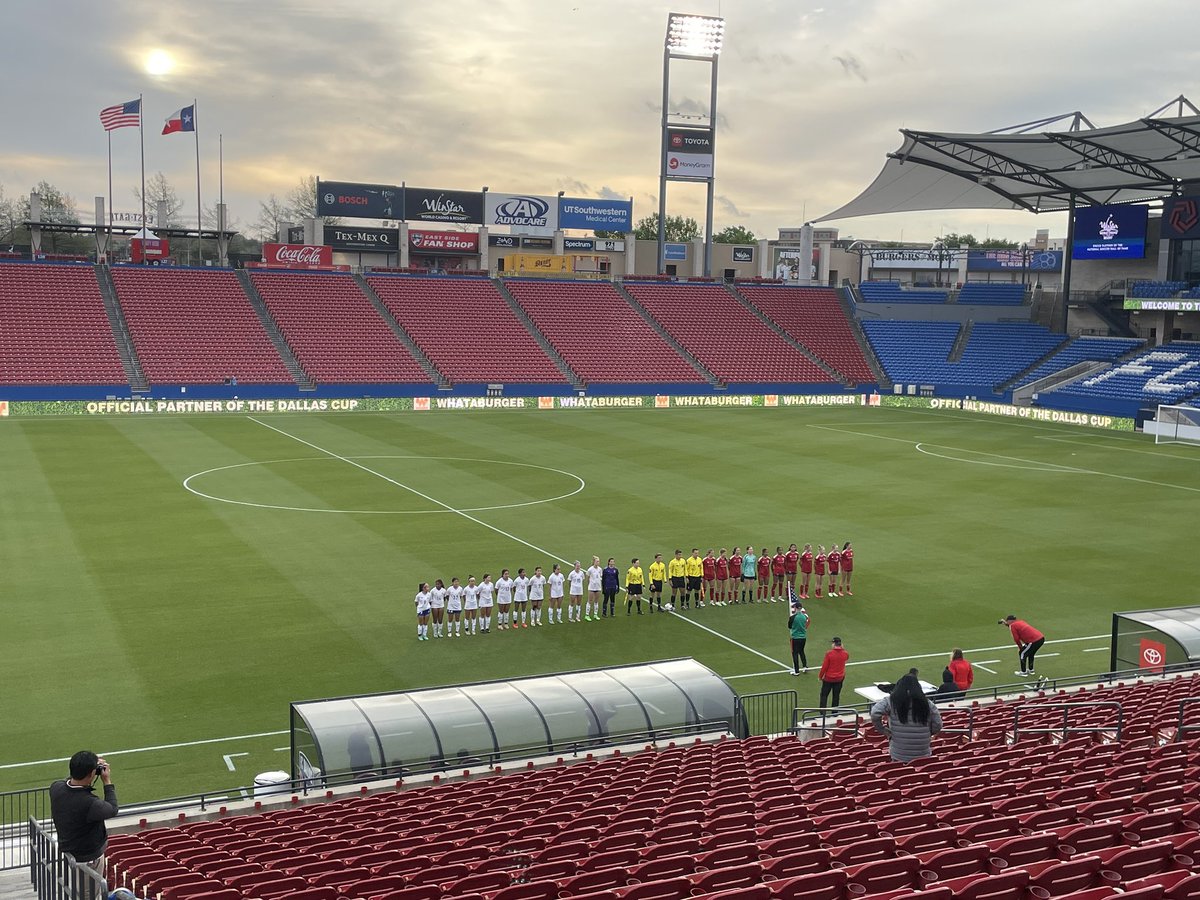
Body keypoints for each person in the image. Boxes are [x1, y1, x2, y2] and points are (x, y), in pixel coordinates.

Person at [50, 751, 118, 874]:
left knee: (77, 889)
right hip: (88, 858)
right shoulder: (90, 803)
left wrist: (86, 764)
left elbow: (72, 781)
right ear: (92, 773)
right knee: (88, 893)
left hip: (69, 850)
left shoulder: (56, 788)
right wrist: (107, 781)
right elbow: (112, 809)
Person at [870, 673, 943, 763]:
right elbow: (938, 724)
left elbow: (874, 713)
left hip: (899, 754)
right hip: (922, 754)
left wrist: (884, 730)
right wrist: (928, 732)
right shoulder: (927, 703)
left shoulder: (891, 701)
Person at [818, 636, 848, 710]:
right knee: (836, 695)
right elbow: (846, 658)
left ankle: (822, 712)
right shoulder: (845, 653)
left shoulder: (829, 653)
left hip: (829, 678)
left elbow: (824, 666)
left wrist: (820, 676)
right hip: (839, 678)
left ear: (834, 644)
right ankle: (834, 713)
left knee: (824, 695)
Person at [788, 602, 810, 675]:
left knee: (795, 653)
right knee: (801, 651)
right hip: (803, 637)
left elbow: (789, 626)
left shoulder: (793, 617)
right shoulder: (804, 617)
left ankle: (796, 671)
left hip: (795, 637)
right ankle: (805, 666)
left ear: (795, 608)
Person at [586, 556, 604, 622]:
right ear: (594, 562)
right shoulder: (590, 569)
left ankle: (595, 614)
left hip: (598, 587)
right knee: (590, 600)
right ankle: (587, 614)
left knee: (596, 601)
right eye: (597, 561)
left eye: (599, 561)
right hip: (591, 587)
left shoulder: (600, 569)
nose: (598, 563)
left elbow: (600, 577)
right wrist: (589, 585)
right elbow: (587, 578)